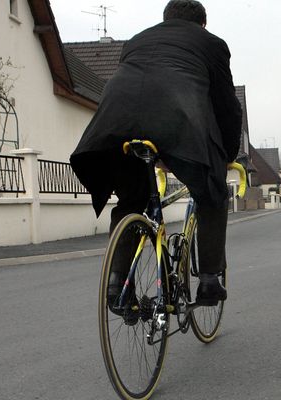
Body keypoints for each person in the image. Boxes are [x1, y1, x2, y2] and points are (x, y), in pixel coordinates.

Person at [70, 0, 242, 307]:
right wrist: (225, 157)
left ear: (165, 20)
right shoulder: (212, 44)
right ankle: (208, 281)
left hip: (115, 125)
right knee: (211, 195)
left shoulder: (136, 40)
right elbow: (226, 106)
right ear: (202, 24)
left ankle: (116, 286)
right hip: (175, 124)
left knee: (131, 201)